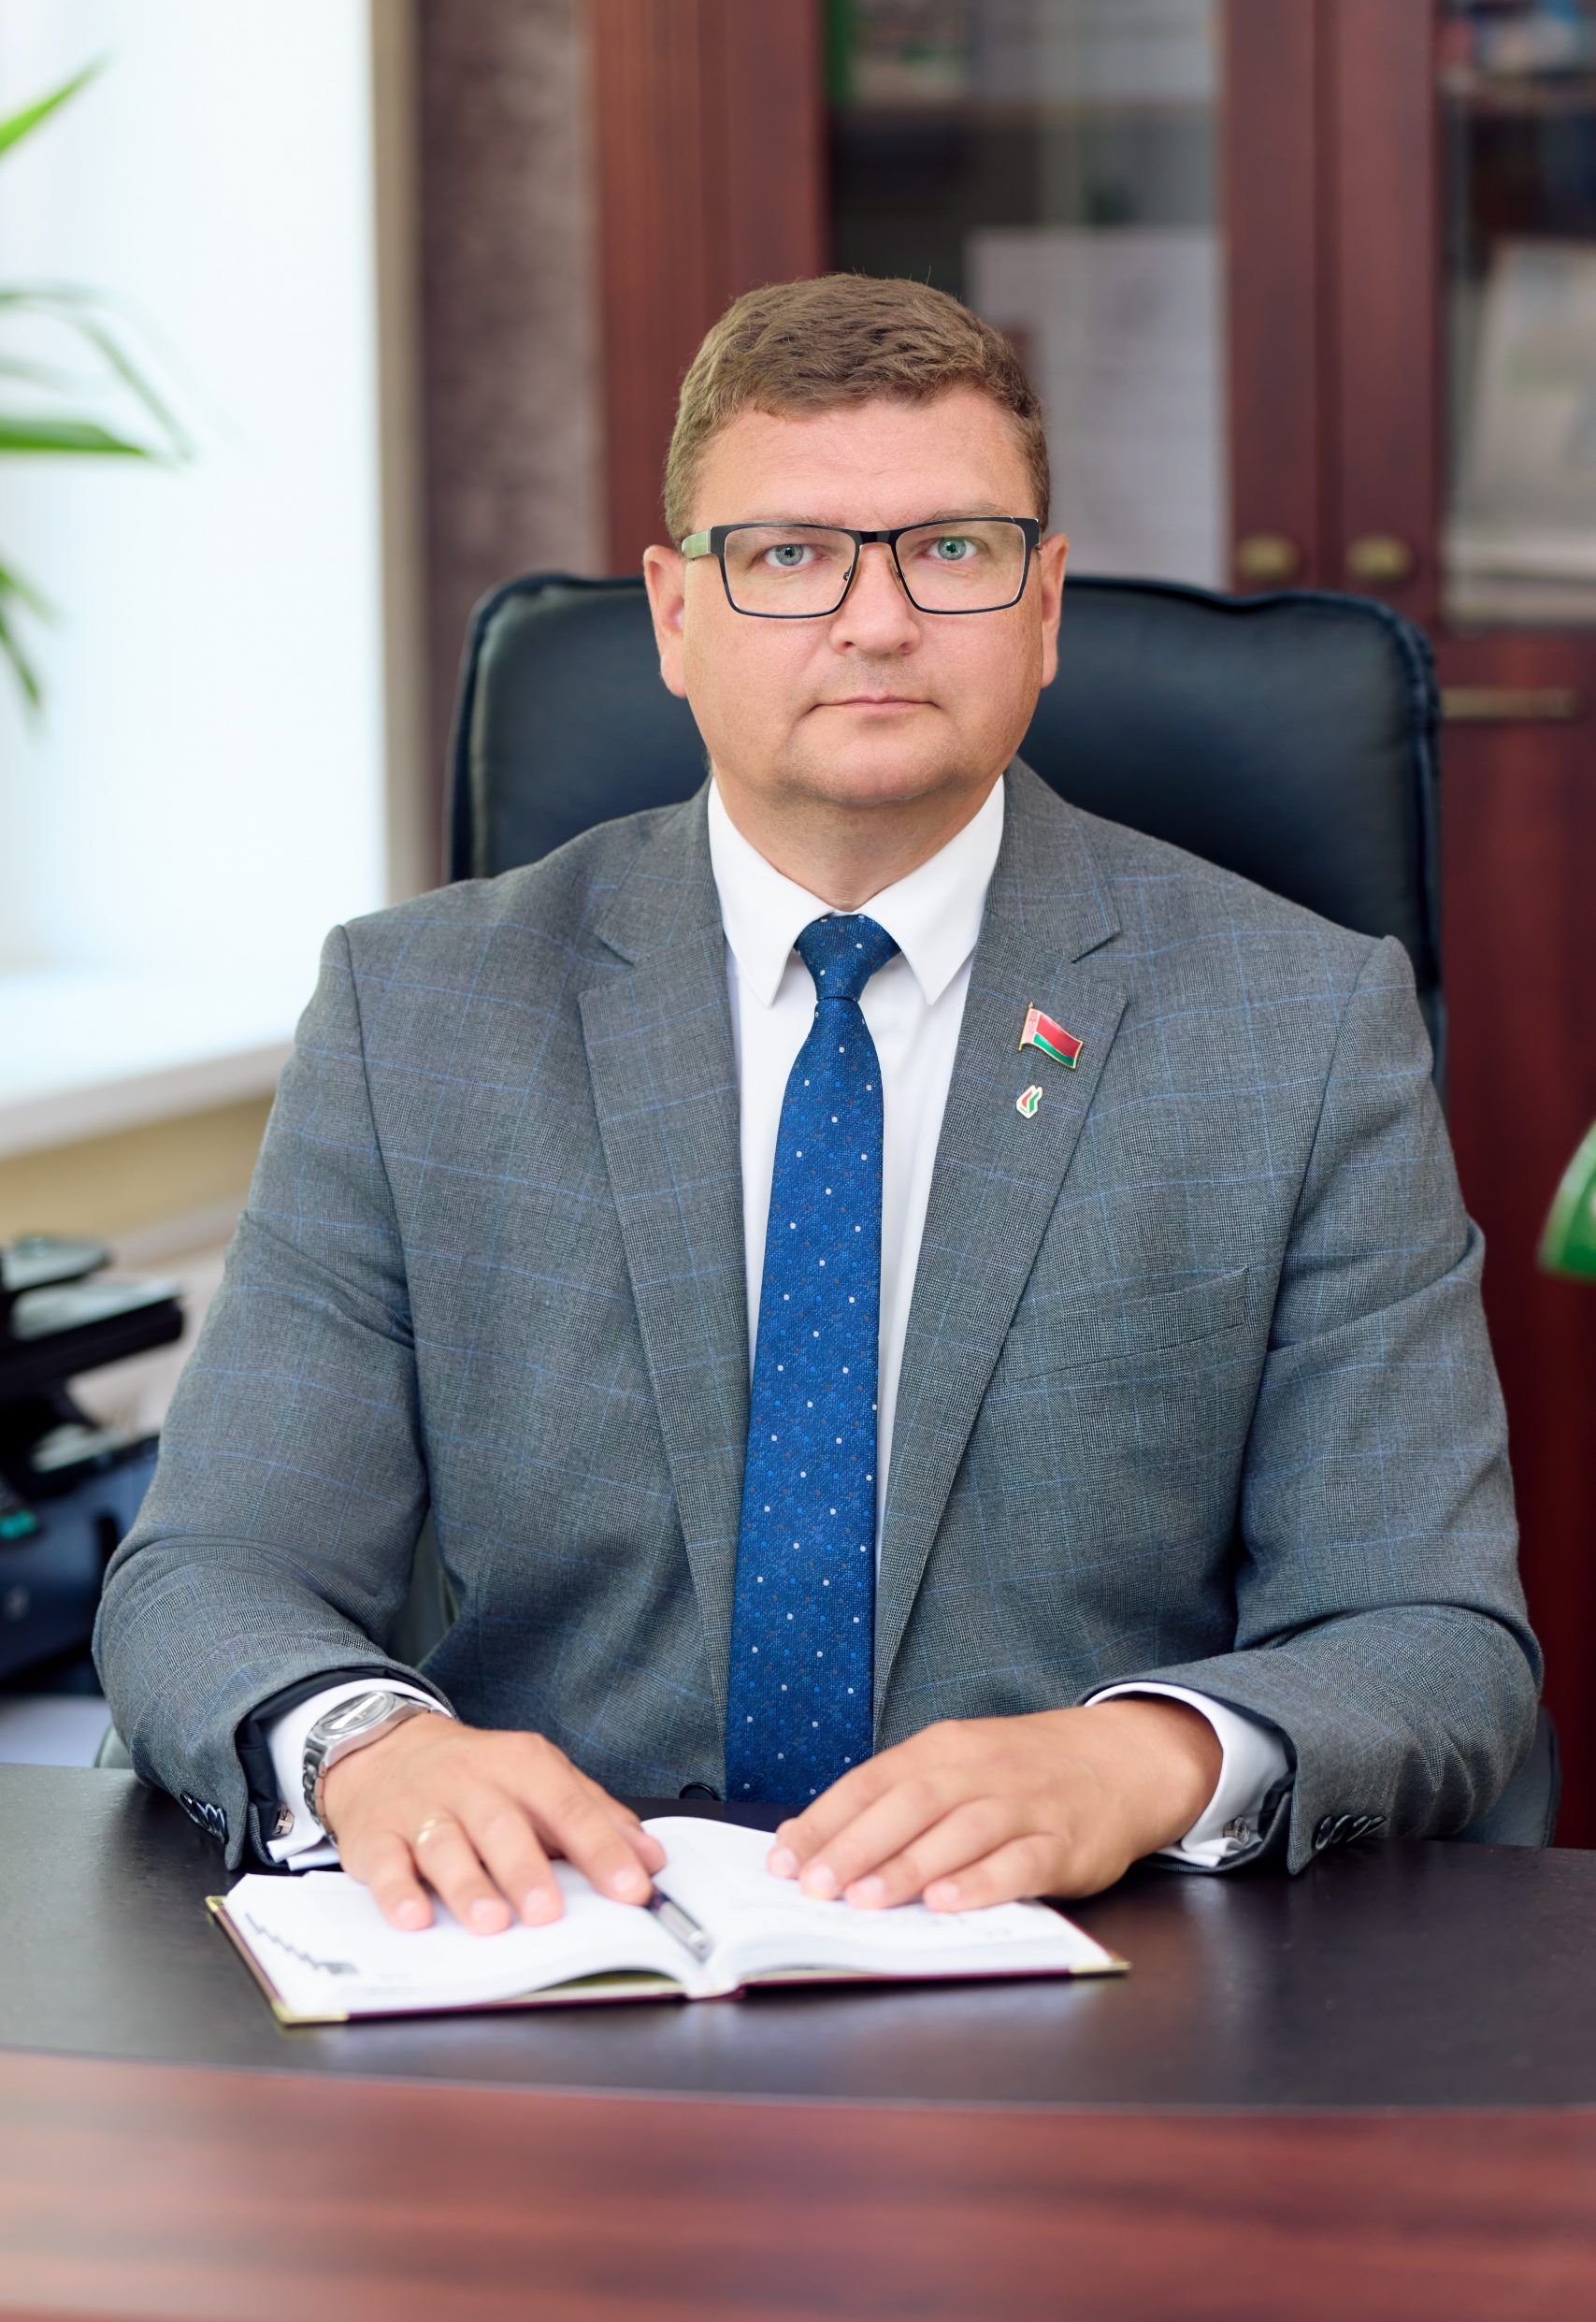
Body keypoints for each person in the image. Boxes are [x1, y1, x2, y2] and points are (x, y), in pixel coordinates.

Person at [95, 274, 1539, 1939]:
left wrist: (1144, 1758)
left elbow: (1432, 1635)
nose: (874, 621)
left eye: (952, 549)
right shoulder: (415, 1017)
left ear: (1045, 604)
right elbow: (209, 1571)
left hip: (1087, 1961)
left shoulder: (1300, 1028)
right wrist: (371, 1749)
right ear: (673, 616)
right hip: (559, 1949)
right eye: (787, 556)